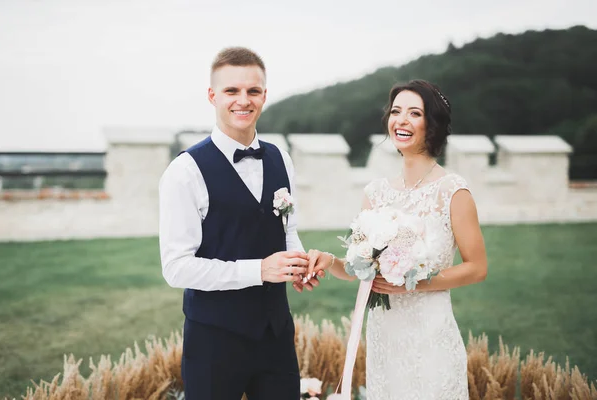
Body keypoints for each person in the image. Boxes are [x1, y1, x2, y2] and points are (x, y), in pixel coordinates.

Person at [307, 79, 488, 399]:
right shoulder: (375, 194)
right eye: (395, 111)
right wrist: (329, 260)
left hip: (430, 334)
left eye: (414, 113)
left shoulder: (452, 191)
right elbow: (356, 270)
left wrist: (415, 282)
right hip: (384, 336)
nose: (401, 120)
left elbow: (477, 268)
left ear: (432, 123)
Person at [159, 47, 322, 400]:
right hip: (214, 341)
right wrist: (260, 270)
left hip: (276, 335)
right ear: (212, 95)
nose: (243, 100)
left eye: (253, 90)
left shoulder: (280, 157)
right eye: (232, 91)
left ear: (265, 95)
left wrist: (299, 263)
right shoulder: (184, 172)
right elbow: (176, 268)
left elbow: (287, 229)